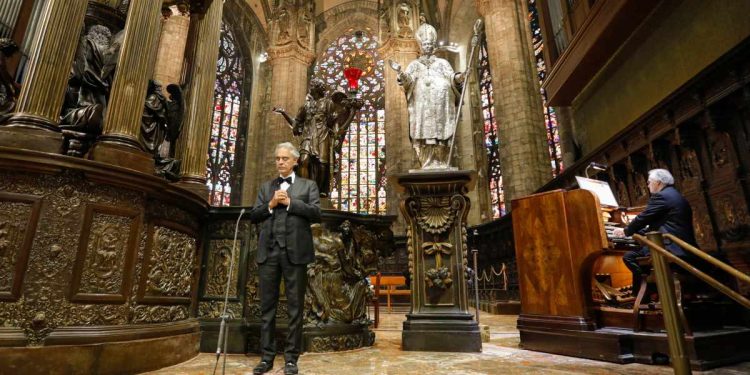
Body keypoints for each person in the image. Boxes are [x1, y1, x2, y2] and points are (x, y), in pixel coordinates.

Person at [248, 142, 321, 375]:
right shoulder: (265, 187)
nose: (280, 162)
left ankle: (291, 358)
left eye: (284, 158)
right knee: (267, 308)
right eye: (277, 158)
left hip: (295, 254)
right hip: (268, 253)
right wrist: (270, 205)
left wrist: (291, 203)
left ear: (295, 161)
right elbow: (253, 216)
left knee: (295, 308)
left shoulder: (308, 186)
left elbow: (316, 213)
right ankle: (266, 357)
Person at [389, 22, 464, 169]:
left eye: (430, 44)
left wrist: (459, 77)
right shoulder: (414, 65)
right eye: (425, 44)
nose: (428, 46)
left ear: (434, 46)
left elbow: (451, 77)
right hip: (422, 107)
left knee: (440, 133)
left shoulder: (443, 63)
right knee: (424, 133)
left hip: (440, 106)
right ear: (421, 47)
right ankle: (427, 162)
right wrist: (400, 72)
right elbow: (407, 82)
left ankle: (442, 161)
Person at [273, 78, 361, 197]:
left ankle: (319, 191)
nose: (310, 89)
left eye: (313, 86)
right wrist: (284, 113)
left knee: (322, 164)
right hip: (308, 137)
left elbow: (334, 123)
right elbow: (296, 124)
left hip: (322, 136)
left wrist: (346, 112)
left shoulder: (328, 103)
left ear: (318, 89)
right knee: (303, 160)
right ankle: (305, 191)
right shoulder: (305, 106)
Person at [613, 168, 697, 287]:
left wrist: (626, 231)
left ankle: (648, 289)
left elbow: (643, 217)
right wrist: (633, 233)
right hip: (679, 243)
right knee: (634, 254)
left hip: (668, 246)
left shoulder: (661, 196)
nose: (647, 185)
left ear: (658, 182)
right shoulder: (675, 195)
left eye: (649, 182)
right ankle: (647, 291)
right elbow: (661, 224)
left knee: (629, 257)